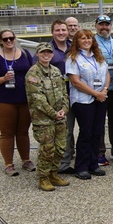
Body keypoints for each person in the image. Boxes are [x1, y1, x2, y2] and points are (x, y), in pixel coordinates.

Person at [0, 29, 35, 175]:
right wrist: (3, 78)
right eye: (5, 39)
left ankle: (26, 160)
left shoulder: (25, 54)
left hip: (24, 100)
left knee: (23, 132)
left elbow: (32, 72)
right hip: (4, 101)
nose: (8, 41)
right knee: (7, 133)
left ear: (15, 38)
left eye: (11, 38)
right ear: (0, 41)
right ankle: (8, 164)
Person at [24, 43, 70, 190]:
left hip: (59, 117)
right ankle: (43, 177)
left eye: (48, 53)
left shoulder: (56, 71)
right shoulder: (33, 74)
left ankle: (53, 174)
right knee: (47, 149)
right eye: (42, 52)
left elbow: (64, 92)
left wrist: (64, 109)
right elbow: (38, 99)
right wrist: (53, 114)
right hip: (43, 119)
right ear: (37, 54)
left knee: (60, 147)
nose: (46, 55)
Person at [65, 29, 109, 179]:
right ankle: (81, 166)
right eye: (82, 38)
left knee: (97, 132)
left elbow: (107, 74)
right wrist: (96, 93)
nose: (86, 41)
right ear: (77, 41)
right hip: (83, 100)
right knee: (86, 132)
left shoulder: (98, 56)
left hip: (100, 98)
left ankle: (93, 164)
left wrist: (104, 90)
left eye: (89, 38)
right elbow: (75, 81)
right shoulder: (73, 58)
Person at [48, 19, 76, 174]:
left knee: (69, 130)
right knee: (61, 131)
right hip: (57, 97)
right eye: (57, 30)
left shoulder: (74, 47)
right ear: (52, 32)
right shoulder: (47, 49)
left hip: (75, 93)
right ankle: (58, 163)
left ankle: (66, 159)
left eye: (63, 30)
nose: (61, 33)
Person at [94, 15, 113, 166]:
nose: (104, 27)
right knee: (99, 122)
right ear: (96, 25)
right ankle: (99, 152)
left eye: (107, 25)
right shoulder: (91, 42)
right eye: (101, 25)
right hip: (100, 88)